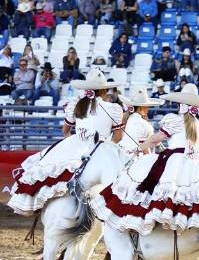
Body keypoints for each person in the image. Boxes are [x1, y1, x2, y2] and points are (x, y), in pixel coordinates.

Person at [91, 83, 199, 235]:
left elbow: (155, 140)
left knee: (149, 186)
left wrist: (139, 147)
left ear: (180, 104)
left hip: (175, 161)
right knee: (189, 195)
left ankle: (149, 223)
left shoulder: (174, 120)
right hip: (196, 163)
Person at [8, 69, 123, 216]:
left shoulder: (77, 105)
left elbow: (65, 131)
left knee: (48, 172)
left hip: (76, 143)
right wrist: (107, 146)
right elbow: (118, 137)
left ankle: (41, 204)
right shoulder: (113, 108)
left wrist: (69, 142)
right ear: (104, 90)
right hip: (100, 147)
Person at [117, 86, 165, 155]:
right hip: (136, 159)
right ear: (141, 108)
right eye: (147, 107)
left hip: (123, 155)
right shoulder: (143, 124)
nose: (148, 109)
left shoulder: (129, 119)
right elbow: (145, 149)